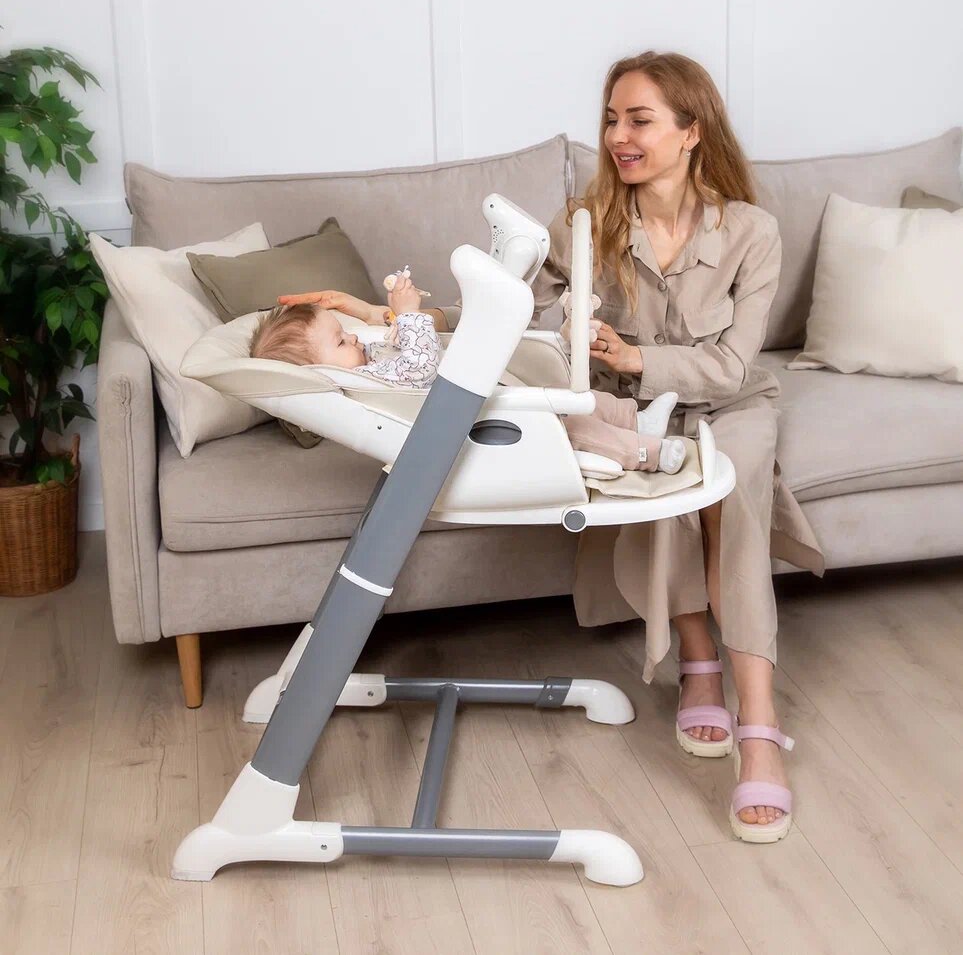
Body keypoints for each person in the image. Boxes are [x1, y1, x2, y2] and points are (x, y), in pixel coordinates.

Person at [279, 50, 825, 842]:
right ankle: (698, 663)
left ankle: (760, 725)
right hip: (627, 409)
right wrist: (380, 315)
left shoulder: (751, 232)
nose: (617, 136)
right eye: (610, 119)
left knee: (729, 494)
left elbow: (736, 365)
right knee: (656, 492)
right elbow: (499, 317)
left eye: (638, 120)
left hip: (730, 401)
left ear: (691, 131)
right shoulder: (587, 225)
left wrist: (632, 355)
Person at [255, 271, 687, 473]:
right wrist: (408, 316)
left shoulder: (364, 361)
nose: (352, 338)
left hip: (485, 392)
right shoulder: (365, 384)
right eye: (339, 342)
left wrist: (388, 316)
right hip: (482, 421)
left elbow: (391, 346)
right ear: (319, 372)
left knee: (580, 403)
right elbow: (420, 368)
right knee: (572, 428)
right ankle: (647, 452)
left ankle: (635, 418)